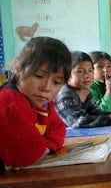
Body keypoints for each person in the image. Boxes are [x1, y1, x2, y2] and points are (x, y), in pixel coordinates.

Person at [0, 37, 71, 170]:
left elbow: (59, 128)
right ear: (17, 67)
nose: (46, 87)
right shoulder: (9, 103)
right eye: (39, 76)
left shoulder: (41, 100)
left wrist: (46, 147)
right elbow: (26, 154)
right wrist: (41, 148)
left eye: (56, 82)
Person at [55, 51, 111, 128]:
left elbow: (95, 111)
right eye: (80, 71)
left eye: (90, 71)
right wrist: (108, 118)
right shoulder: (65, 95)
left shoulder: (86, 91)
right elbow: (78, 122)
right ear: (67, 74)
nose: (87, 75)